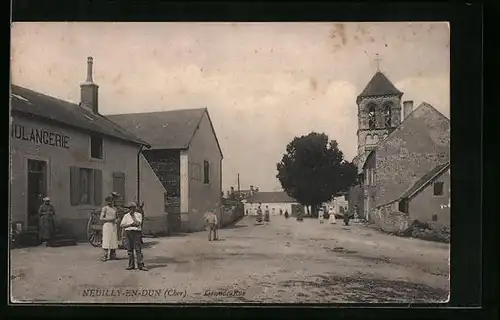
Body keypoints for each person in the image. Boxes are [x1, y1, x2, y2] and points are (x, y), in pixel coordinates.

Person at [120, 202, 148, 271]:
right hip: (128, 232)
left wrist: (133, 217)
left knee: (138, 249)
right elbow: (122, 225)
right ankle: (131, 265)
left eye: (133, 208)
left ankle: (140, 265)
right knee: (129, 249)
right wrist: (130, 224)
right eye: (130, 208)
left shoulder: (138, 215)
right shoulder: (126, 216)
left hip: (136, 232)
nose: (131, 209)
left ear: (135, 208)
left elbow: (138, 223)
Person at [100, 196, 119, 261]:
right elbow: (101, 218)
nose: (110, 202)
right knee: (106, 239)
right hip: (107, 225)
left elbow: (117, 217)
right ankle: (105, 255)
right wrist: (110, 219)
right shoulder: (105, 208)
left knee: (113, 239)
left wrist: (117, 220)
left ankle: (112, 254)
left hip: (113, 225)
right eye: (109, 201)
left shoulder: (115, 209)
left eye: (111, 201)